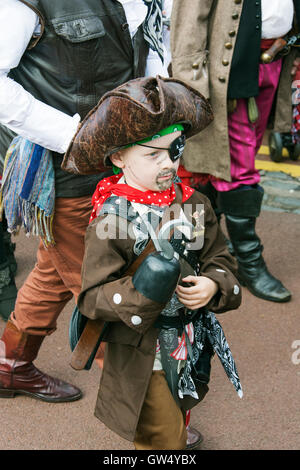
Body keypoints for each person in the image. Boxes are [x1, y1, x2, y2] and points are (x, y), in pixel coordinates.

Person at [0, 0, 169, 403]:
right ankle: (146, 408)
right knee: (105, 282)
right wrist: (72, 135)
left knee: (57, 268)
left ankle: (10, 365)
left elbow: (150, 59)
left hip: (120, 156)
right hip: (63, 164)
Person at [67, 75, 243, 450]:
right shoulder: (110, 221)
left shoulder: (194, 202)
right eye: (153, 154)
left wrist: (214, 283)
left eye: (174, 150)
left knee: (180, 414)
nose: (169, 163)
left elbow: (221, 259)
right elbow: (91, 297)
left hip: (191, 340)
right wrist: (144, 288)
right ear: (118, 157)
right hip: (145, 351)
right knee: (160, 439)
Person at [170, 0, 300, 303]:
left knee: (238, 156)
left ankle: (205, 246)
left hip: (274, 61)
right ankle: (248, 263)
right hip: (229, 71)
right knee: (237, 165)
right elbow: (190, 20)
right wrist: (192, 86)